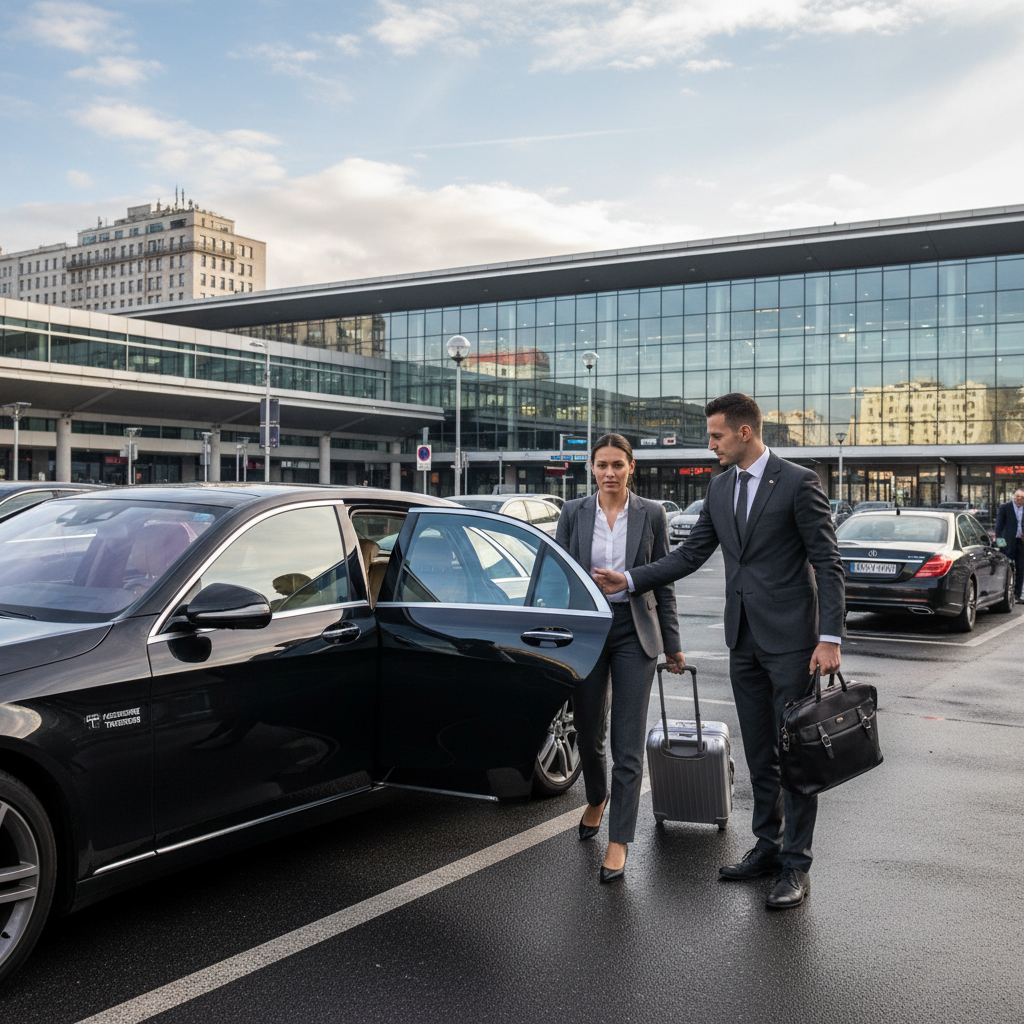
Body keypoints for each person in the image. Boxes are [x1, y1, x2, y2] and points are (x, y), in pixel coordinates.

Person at [592, 395, 845, 909]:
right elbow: (690, 554)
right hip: (743, 640)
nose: (710, 445)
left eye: (716, 436)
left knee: (795, 757)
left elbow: (828, 561)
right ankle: (768, 847)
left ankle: (796, 866)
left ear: (745, 432)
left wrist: (830, 639)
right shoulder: (720, 485)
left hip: (794, 642)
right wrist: (631, 579)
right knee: (759, 752)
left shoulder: (799, 483)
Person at [556, 433, 685, 884]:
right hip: (589, 635)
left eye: (618, 464)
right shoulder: (573, 513)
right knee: (588, 733)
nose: (609, 472)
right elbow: (561, 579)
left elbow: (664, 580)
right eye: (601, 465)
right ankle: (596, 796)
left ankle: (619, 842)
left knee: (626, 744)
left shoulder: (652, 514)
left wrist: (672, 644)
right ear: (591, 469)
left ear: (633, 467)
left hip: (635, 633)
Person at [994, 488, 1024, 605]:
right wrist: (1000, 542)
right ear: (1013, 497)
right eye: (1017, 497)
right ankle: (1005, 594)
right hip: (1008, 543)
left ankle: (1017, 595)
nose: (1018, 500)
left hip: (1021, 542)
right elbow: (999, 526)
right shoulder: (1005, 507)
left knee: (1021, 568)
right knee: (1007, 568)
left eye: (1021, 498)